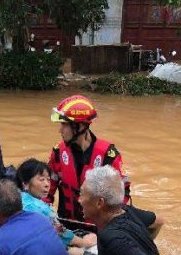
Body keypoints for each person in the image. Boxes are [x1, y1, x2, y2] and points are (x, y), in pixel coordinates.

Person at [47, 95, 131, 230]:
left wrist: (114, 227)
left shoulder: (108, 155)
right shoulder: (58, 152)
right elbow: (47, 189)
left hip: (99, 226)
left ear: (79, 126)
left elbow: (122, 195)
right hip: (66, 224)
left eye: (64, 124)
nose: (60, 130)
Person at [16, 158, 97, 251]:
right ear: (25, 183)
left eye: (48, 180)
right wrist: (85, 242)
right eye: (41, 180)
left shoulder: (13, 198)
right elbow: (61, 234)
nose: (47, 184)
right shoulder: (40, 208)